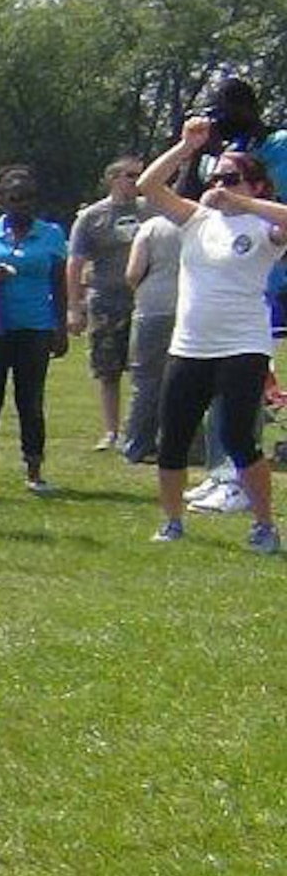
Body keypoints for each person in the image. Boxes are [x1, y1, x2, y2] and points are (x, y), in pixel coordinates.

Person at [136, 119, 286, 553]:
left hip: (243, 344)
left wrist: (241, 203)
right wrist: (187, 147)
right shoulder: (196, 219)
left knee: (240, 438)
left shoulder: (264, 226)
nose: (218, 184)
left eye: (231, 177)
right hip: (191, 344)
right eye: (215, 176)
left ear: (256, 185)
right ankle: (172, 521)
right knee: (174, 437)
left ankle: (263, 524)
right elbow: (150, 184)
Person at [0, 164, 69, 493]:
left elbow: (58, 284)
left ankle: (34, 471)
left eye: (29, 198)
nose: (23, 204)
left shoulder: (51, 235)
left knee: (30, 400)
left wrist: (60, 326)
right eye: (16, 198)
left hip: (34, 326)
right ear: (1, 199)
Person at [66, 156, 149, 451]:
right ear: (113, 178)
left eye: (140, 175)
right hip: (105, 302)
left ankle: (143, 430)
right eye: (130, 175)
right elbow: (75, 264)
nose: (136, 181)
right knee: (107, 370)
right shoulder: (92, 217)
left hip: (146, 302)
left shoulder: (151, 210)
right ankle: (111, 431)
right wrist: (74, 308)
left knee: (147, 369)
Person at [120, 213, 183, 464]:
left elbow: (133, 272)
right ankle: (190, 444)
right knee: (190, 381)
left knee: (146, 381)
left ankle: (137, 443)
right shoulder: (208, 222)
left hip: (153, 307)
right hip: (192, 308)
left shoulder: (152, 227)